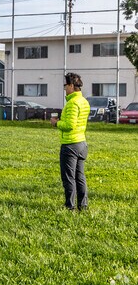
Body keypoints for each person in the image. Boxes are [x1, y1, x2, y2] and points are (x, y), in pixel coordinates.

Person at [50, 73, 90, 211]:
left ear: (72, 86)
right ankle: (83, 205)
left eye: (65, 85)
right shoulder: (84, 101)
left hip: (70, 144)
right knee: (80, 177)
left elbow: (70, 125)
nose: (64, 88)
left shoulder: (72, 103)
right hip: (81, 143)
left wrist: (56, 123)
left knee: (68, 177)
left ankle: (70, 206)